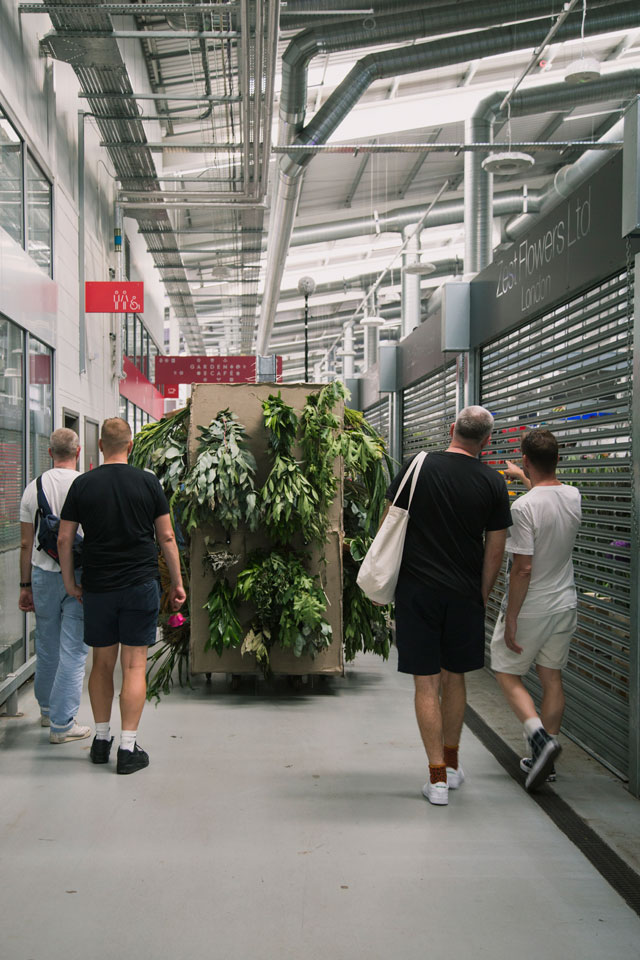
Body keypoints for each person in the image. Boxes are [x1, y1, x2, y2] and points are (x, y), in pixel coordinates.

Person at [386, 406, 512, 806]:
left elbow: (388, 522)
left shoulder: (417, 467)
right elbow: (496, 547)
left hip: (418, 591)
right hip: (464, 593)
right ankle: (453, 766)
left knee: (426, 682)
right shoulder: (492, 482)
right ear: (487, 441)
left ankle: (436, 778)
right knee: (455, 676)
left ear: (453, 429)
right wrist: (482, 593)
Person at [57, 417, 186, 775]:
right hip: (140, 584)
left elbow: (65, 538)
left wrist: (70, 582)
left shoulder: (83, 484)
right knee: (134, 665)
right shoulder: (148, 483)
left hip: (98, 586)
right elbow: (168, 538)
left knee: (101, 664)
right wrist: (177, 582)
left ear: (100, 447)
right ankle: (127, 749)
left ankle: (100, 741)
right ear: (130, 446)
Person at [491, 429, 581, 792]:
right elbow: (547, 496)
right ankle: (547, 761)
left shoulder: (523, 507)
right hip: (565, 603)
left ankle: (541, 741)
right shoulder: (573, 496)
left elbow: (522, 569)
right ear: (558, 460)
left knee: (506, 673)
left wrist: (511, 616)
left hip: (532, 607)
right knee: (551, 678)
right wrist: (524, 476)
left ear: (527, 460)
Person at [18, 428, 91, 743]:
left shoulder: (33, 488)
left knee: (46, 645)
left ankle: (46, 710)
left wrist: (24, 586)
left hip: (43, 574)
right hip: (78, 576)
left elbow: (24, 543)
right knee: (73, 649)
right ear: (78, 452)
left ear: (49, 453)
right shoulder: (86, 486)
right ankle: (63, 724)